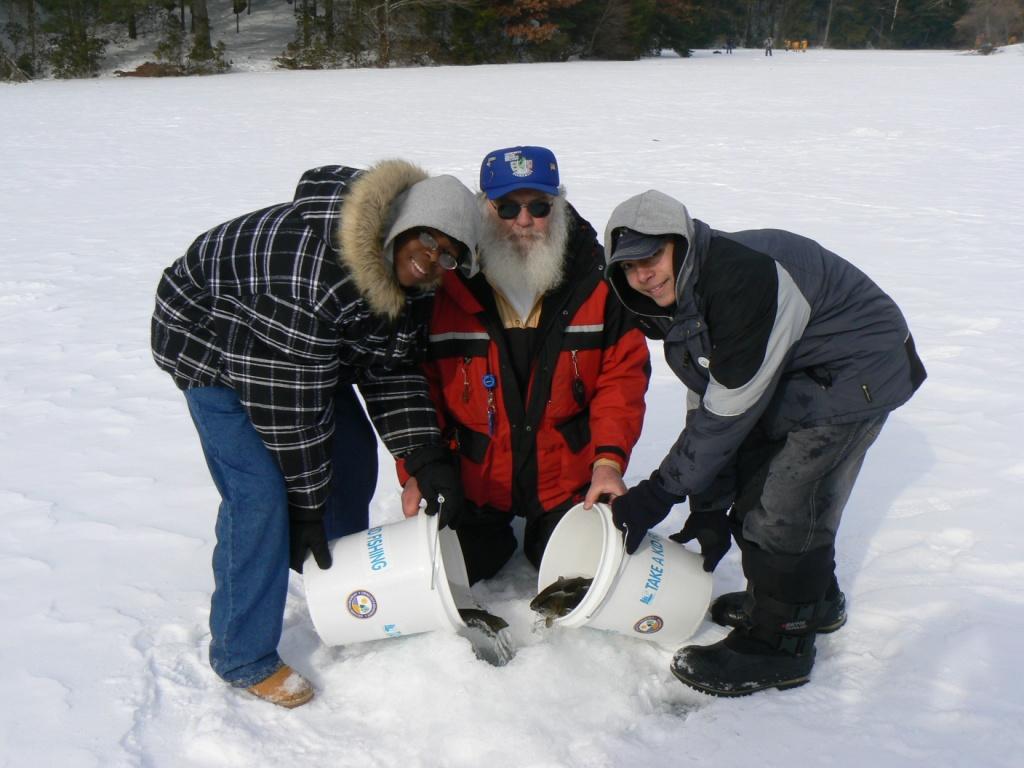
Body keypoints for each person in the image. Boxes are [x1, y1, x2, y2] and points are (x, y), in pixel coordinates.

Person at [151, 160, 479, 707]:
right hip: (208, 342)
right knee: (259, 495)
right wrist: (304, 507)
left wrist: (425, 456)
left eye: (449, 255)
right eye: (428, 240)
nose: (432, 261)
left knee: (350, 462)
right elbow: (291, 415)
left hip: (303, 352)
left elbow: (391, 369)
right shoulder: (310, 272)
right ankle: (242, 654)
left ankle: (340, 588)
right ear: (401, 222)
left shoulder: (412, 284)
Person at [603, 189, 926, 697]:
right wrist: (707, 505)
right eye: (629, 267)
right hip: (802, 371)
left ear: (680, 246)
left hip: (859, 368)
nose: (644, 275)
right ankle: (809, 601)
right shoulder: (681, 302)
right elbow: (707, 400)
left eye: (652, 257)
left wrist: (658, 493)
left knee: (787, 502)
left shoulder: (739, 284)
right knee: (757, 483)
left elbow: (726, 415)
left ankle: (781, 645)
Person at [400, 146, 650, 583]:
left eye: (539, 206)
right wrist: (417, 470)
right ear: (484, 208)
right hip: (475, 484)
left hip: (565, 484)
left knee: (583, 574)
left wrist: (608, 462)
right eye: (507, 207)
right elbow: (416, 388)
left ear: (559, 206)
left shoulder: (597, 280)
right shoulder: (443, 281)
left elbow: (622, 379)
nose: (523, 220)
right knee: (443, 575)